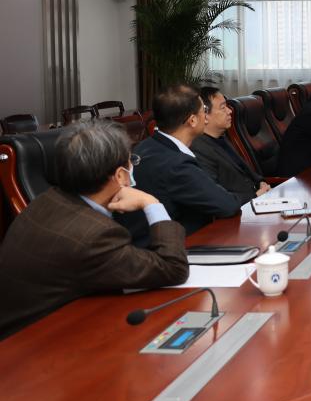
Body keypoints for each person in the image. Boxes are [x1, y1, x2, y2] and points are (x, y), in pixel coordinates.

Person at [0, 121, 188, 340]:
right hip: (34, 344)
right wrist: (152, 203)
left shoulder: (47, 200)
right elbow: (173, 268)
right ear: (120, 175)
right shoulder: (95, 236)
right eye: (132, 160)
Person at [119, 84, 243, 243]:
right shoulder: (176, 164)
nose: (206, 117)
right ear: (192, 120)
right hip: (174, 248)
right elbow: (227, 205)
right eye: (204, 111)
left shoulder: (146, 146)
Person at [192, 87, 270, 202]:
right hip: (241, 208)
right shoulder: (199, 149)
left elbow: (246, 173)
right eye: (223, 107)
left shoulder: (221, 138)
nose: (230, 111)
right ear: (205, 116)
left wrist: (260, 183)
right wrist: (255, 196)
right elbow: (216, 197)